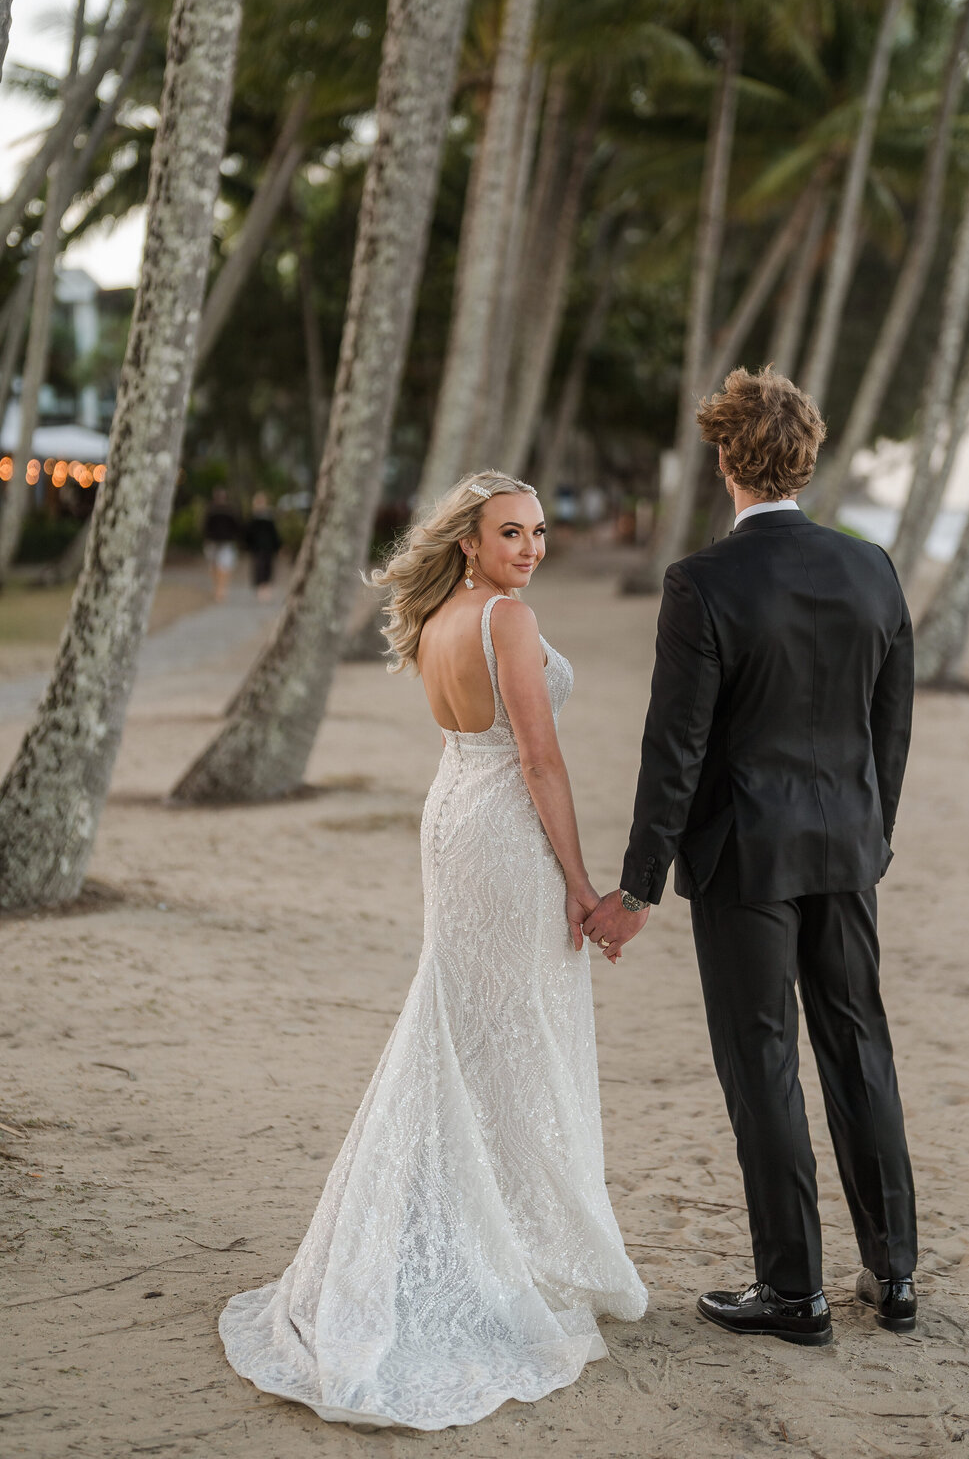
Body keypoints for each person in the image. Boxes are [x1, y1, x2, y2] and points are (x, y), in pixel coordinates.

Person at [219, 471, 646, 1430]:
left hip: (454, 817)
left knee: (462, 1032)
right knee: (514, 1040)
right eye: (511, 534)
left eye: (538, 533)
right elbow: (539, 759)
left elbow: (481, 741)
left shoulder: (439, 618)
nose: (531, 549)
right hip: (502, 838)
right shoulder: (505, 622)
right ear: (470, 541)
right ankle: (500, 1249)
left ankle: (472, 1233)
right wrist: (582, 886)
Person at [584, 366, 918, 1347]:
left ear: (728, 459)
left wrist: (638, 883)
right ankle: (894, 1277)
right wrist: (874, 833)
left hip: (745, 860)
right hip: (847, 848)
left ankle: (794, 1293)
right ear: (806, 458)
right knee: (860, 1044)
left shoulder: (703, 583)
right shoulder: (875, 570)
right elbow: (889, 729)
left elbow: (674, 748)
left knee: (764, 1059)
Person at [201, 486, 242, 604]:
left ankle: (221, 589)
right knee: (215, 567)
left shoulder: (229, 511)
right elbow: (205, 527)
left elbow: (236, 527)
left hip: (225, 543)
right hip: (213, 542)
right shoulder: (211, 510)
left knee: (223, 567)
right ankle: (218, 588)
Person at [244, 491, 283, 601]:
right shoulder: (253, 518)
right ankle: (261, 588)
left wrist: (278, 546)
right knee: (259, 567)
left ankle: (266, 588)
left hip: (268, 547)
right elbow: (248, 533)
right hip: (257, 547)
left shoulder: (269, 517)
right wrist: (248, 545)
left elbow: (274, 533)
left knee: (268, 567)